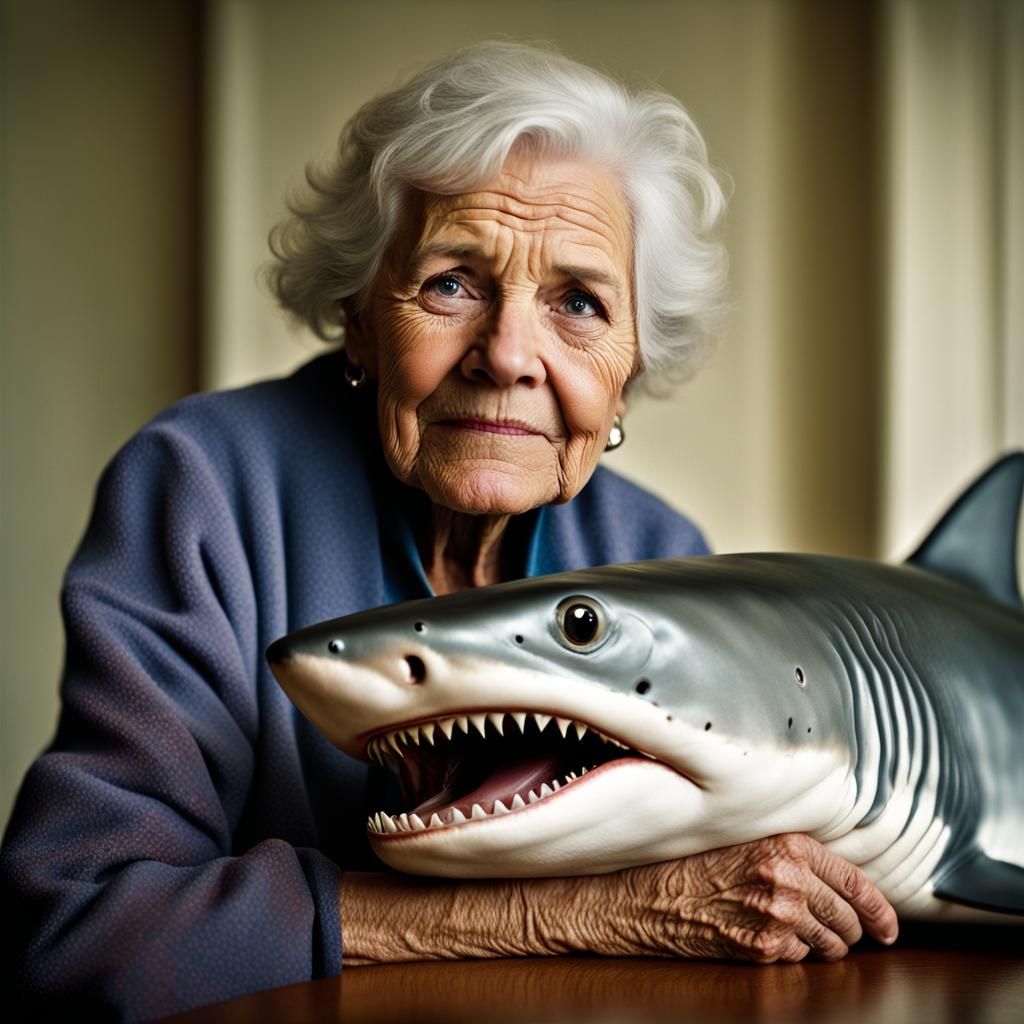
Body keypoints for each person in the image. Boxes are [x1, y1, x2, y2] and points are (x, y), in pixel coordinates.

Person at [0, 42, 897, 1020]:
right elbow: (73, 927)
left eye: (579, 303)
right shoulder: (207, 487)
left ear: (629, 366)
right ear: (357, 319)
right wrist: (568, 911)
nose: (508, 354)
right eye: (452, 283)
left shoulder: (659, 552)